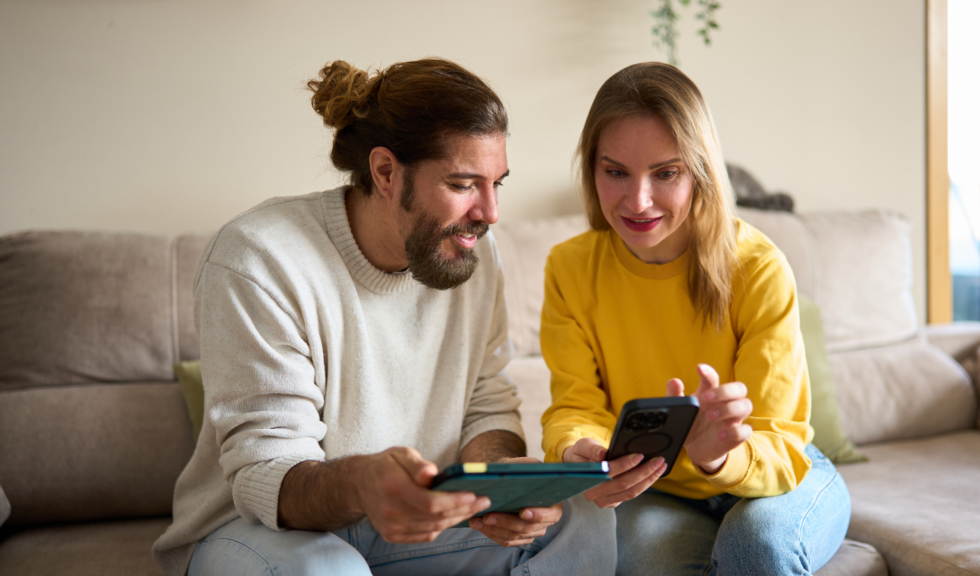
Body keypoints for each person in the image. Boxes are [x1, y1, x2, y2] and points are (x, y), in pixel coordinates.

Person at [153, 57, 616, 576]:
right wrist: (364, 483)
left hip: (411, 526)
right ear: (386, 172)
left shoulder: (472, 256)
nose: (490, 213)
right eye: (465, 185)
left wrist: (502, 483)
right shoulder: (259, 258)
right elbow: (266, 472)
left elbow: (486, 403)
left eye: (497, 184)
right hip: (255, 533)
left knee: (584, 519)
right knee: (329, 569)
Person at [540, 62, 851, 575]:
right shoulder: (570, 268)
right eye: (615, 171)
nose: (637, 201)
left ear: (700, 170)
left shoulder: (757, 267)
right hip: (662, 490)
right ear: (590, 168)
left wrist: (720, 457)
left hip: (778, 474)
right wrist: (579, 450)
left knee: (755, 548)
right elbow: (574, 404)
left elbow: (779, 439)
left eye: (666, 173)